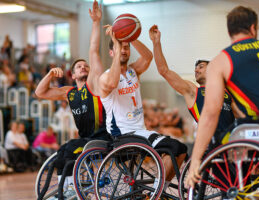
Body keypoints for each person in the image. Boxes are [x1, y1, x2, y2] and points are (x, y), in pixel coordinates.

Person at [186, 6, 259, 188]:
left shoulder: (221, 60)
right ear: (253, 28)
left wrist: (195, 161)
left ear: (229, 31)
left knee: (214, 145)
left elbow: (210, 113)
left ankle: (236, 189)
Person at [98, 25, 187, 195]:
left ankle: (157, 192)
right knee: (174, 148)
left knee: (181, 149)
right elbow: (111, 83)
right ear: (111, 53)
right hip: (122, 135)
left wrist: (130, 35)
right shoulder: (105, 77)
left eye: (126, 47)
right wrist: (117, 47)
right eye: (119, 48)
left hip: (141, 132)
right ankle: (156, 193)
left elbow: (148, 57)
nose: (124, 50)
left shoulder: (133, 71)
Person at [35, 1, 109, 198]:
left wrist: (95, 23)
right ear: (73, 75)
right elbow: (40, 93)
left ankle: (67, 191)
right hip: (86, 139)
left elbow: (94, 49)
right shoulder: (69, 92)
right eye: (79, 67)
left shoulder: (93, 85)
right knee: (61, 152)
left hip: (101, 137)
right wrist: (50, 74)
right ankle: (64, 191)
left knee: (68, 150)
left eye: (86, 66)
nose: (84, 67)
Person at [149, 25, 242, 144]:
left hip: (232, 141)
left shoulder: (227, 92)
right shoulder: (193, 90)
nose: (196, 70)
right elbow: (164, 70)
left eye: (201, 67)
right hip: (210, 142)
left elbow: (240, 116)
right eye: (195, 68)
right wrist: (156, 43)